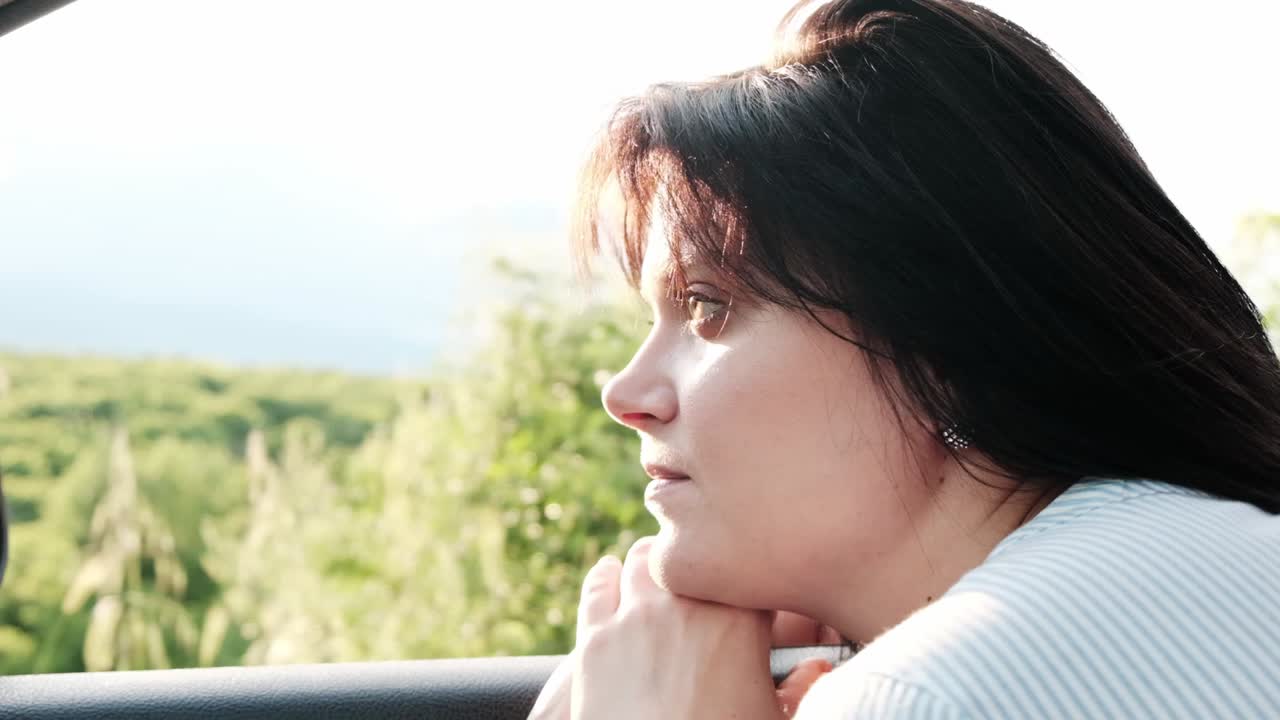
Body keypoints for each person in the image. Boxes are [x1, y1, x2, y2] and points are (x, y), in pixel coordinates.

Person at [530, 0, 1280, 717]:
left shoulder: (923, 695)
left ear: (942, 350)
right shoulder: (1231, 547)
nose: (627, 394)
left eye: (707, 307)